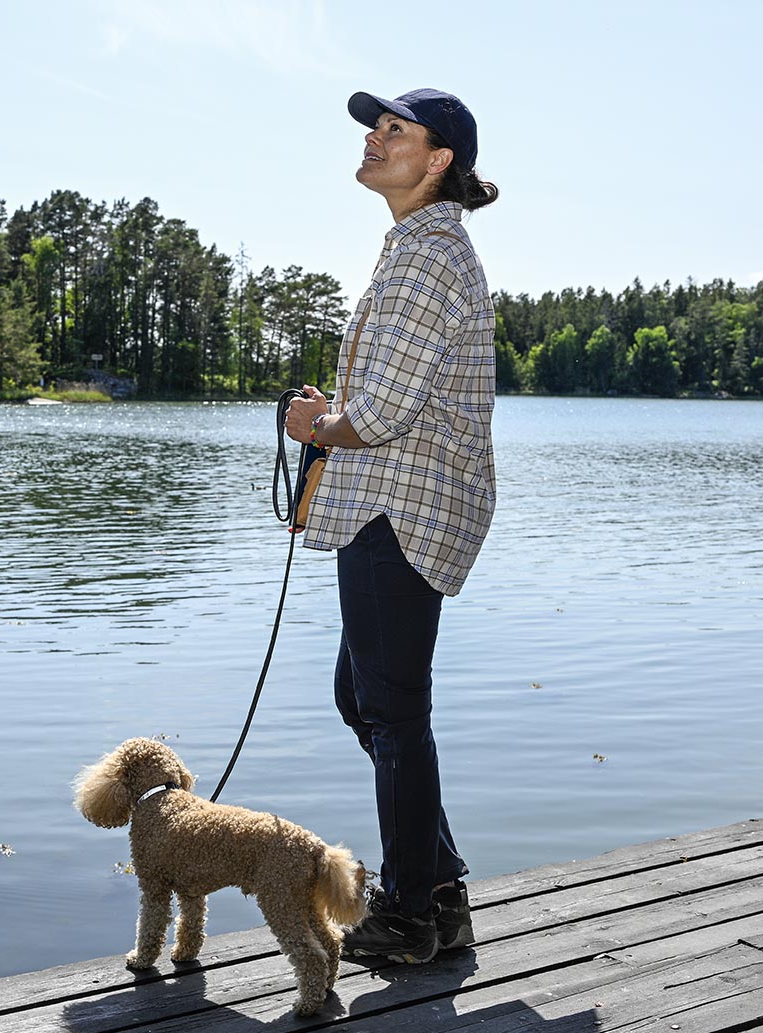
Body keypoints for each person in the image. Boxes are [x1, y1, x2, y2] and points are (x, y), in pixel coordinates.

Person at [285, 88, 498, 964]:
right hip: (400, 504)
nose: (375, 141)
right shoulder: (421, 249)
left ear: (438, 158)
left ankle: (413, 910)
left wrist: (316, 427)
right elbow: (391, 401)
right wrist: (338, 414)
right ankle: (436, 886)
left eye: (394, 131)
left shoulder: (426, 257)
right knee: (368, 699)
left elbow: (380, 416)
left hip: (398, 509)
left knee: (390, 707)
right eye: (375, 130)